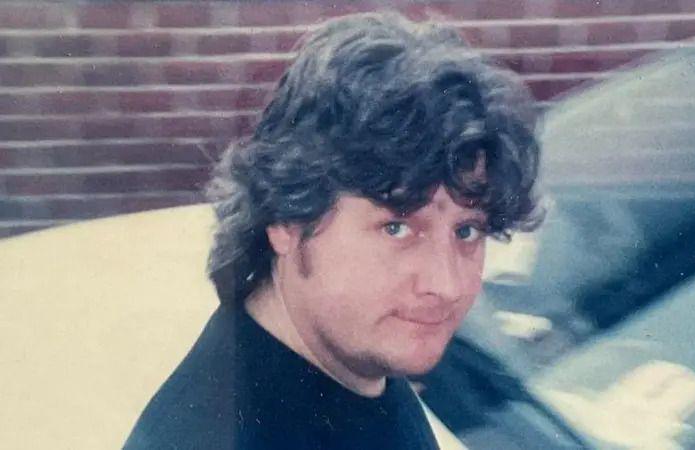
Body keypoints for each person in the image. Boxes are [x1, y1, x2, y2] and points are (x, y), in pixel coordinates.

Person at [124, 11, 543, 450]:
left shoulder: (352, 366)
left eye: (467, 232)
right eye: (397, 227)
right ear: (287, 218)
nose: (446, 284)